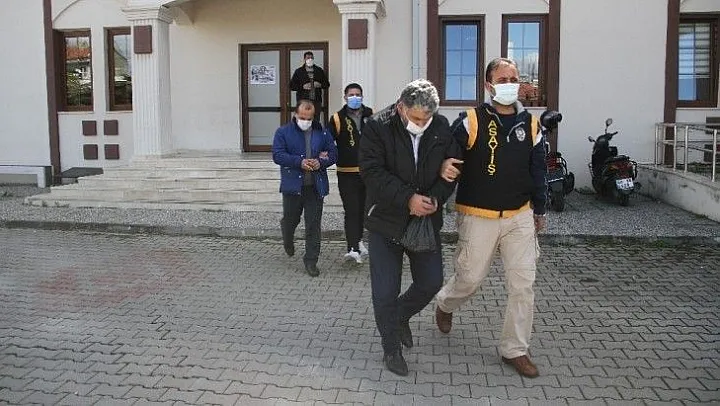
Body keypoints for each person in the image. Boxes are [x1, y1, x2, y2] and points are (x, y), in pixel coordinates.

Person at [434, 57, 548, 378]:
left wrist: (540, 209)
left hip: (519, 216)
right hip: (478, 216)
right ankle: (445, 304)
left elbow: (538, 170)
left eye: (514, 78)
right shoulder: (470, 121)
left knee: (523, 284)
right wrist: (441, 169)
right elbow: (448, 155)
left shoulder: (531, 125)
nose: (510, 84)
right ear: (489, 86)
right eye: (502, 79)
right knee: (469, 279)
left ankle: (515, 349)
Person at [358, 79, 460, 376]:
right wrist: (408, 199)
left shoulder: (440, 126)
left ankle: (399, 316)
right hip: (385, 222)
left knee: (430, 282)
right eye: (416, 118)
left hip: (423, 222)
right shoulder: (377, 126)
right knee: (385, 291)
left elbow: (452, 169)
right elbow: (372, 172)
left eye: (427, 118)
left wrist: (435, 198)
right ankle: (391, 348)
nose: (422, 124)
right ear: (401, 107)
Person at [272, 100, 337, 277]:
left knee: (313, 225)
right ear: (295, 115)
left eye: (309, 118)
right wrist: (298, 162)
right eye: (302, 117)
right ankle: (287, 235)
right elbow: (277, 155)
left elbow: (333, 154)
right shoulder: (283, 132)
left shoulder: (322, 133)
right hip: (293, 187)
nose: (306, 121)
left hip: (315, 187)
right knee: (291, 219)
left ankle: (311, 260)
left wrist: (321, 162)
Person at [329, 83, 374, 264]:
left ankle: (358, 241)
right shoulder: (337, 118)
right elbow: (327, 140)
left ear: (362, 96)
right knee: (351, 210)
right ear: (345, 97)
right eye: (351, 94)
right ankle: (352, 248)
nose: (355, 97)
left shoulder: (371, 115)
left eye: (358, 94)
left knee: (364, 210)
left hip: (368, 172)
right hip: (347, 173)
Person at [289, 51, 330, 123]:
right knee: (302, 120)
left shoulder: (319, 70)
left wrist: (320, 85)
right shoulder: (299, 71)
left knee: (315, 121)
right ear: (304, 59)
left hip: (316, 101)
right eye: (308, 58)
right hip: (303, 101)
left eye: (311, 58)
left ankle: (315, 130)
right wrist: (302, 86)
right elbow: (291, 86)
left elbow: (327, 84)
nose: (310, 59)